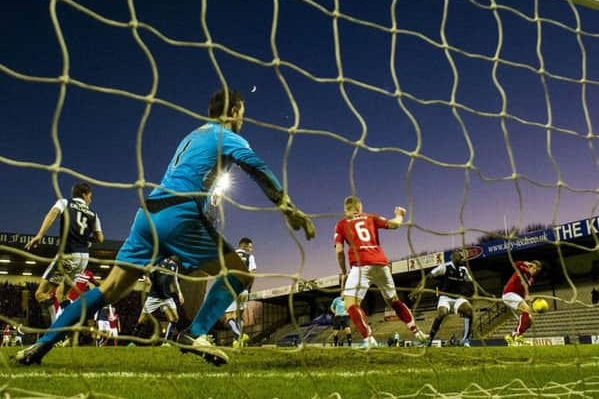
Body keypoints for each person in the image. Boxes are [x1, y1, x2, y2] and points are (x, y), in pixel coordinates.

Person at [16, 88, 315, 366]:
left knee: (107, 290)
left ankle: (42, 343)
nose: (243, 119)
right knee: (238, 273)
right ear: (234, 111)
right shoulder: (228, 135)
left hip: (147, 217)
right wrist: (288, 209)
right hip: (178, 216)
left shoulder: (192, 136)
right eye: (242, 112)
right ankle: (193, 333)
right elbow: (257, 168)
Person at [334, 196, 428, 348]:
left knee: (351, 304)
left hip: (360, 265)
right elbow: (395, 224)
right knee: (394, 300)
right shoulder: (371, 217)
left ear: (346, 209)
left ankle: (369, 339)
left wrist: (344, 271)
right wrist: (400, 214)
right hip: (381, 264)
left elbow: (339, 251)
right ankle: (419, 333)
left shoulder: (341, 224)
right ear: (359, 207)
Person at [24, 183, 103, 326]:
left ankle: (54, 331)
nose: (90, 200)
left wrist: (40, 235)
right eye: (90, 196)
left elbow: (53, 213)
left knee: (40, 294)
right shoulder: (94, 214)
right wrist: (84, 237)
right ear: (84, 194)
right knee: (62, 295)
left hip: (67, 255)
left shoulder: (65, 202)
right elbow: (100, 238)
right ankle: (72, 326)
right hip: (83, 258)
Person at [412, 250, 478, 347]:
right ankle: (429, 340)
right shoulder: (444, 267)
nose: (462, 259)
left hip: (458, 298)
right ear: (453, 257)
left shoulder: (463, 270)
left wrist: (476, 293)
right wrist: (419, 287)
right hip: (445, 298)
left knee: (469, 310)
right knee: (442, 313)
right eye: (460, 257)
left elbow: (471, 282)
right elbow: (429, 275)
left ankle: (466, 340)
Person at [129, 255, 185, 346]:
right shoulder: (158, 261)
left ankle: (167, 342)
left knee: (175, 319)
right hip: (154, 297)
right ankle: (133, 342)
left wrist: (179, 293)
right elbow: (145, 271)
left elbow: (175, 281)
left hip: (167, 298)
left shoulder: (174, 266)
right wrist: (146, 278)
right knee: (141, 321)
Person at [501, 260, 543, 346]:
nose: (534, 271)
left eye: (537, 270)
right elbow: (515, 264)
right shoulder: (523, 269)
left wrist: (528, 298)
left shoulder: (531, 280)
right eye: (533, 268)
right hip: (509, 293)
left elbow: (523, 291)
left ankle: (511, 336)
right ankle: (518, 335)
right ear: (530, 266)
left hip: (517, 297)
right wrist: (525, 263)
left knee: (530, 320)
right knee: (526, 310)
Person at [224, 238, 255, 348]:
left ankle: (238, 336)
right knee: (239, 317)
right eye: (250, 247)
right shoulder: (249, 257)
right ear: (245, 246)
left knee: (229, 317)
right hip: (244, 290)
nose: (251, 250)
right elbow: (252, 273)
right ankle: (237, 341)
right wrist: (248, 289)